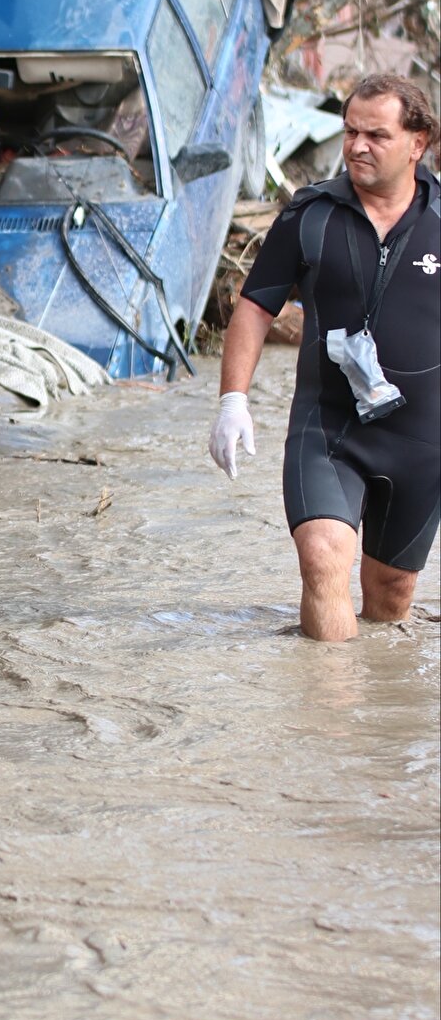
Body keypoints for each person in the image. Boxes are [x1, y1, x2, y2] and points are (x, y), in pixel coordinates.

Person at [209, 72, 439, 641]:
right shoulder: (310, 214)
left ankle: (373, 723)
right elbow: (256, 309)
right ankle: (330, 719)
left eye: (376, 135)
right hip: (329, 424)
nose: (358, 146)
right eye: (350, 131)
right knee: (322, 557)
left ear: (418, 142)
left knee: (390, 597)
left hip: (425, 437)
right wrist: (233, 400)